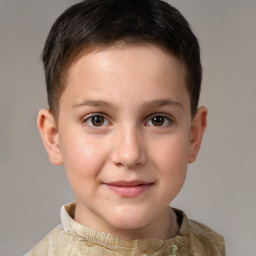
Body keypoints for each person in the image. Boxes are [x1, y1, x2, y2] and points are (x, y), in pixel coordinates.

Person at [26, 0, 225, 255]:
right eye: (97, 119)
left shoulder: (215, 249)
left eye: (158, 120)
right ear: (54, 138)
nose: (130, 155)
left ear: (194, 136)